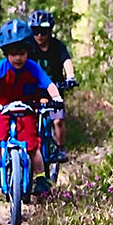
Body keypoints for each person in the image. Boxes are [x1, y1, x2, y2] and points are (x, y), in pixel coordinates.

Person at [0, 18, 64, 195]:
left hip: (26, 111)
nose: (18, 58)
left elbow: (49, 84)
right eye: (13, 54)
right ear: (6, 54)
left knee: (33, 147)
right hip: (4, 110)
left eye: (22, 53)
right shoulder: (1, 68)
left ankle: (40, 177)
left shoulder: (33, 67)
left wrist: (56, 98)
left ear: (28, 51)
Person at [28, 10, 76, 162]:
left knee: (58, 120)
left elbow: (66, 61)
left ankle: (60, 148)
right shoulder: (28, 47)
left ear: (49, 31)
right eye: (36, 31)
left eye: (43, 31)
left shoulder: (57, 46)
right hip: (34, 89)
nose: (39, 35)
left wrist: (70, 77)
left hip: (55, 88)